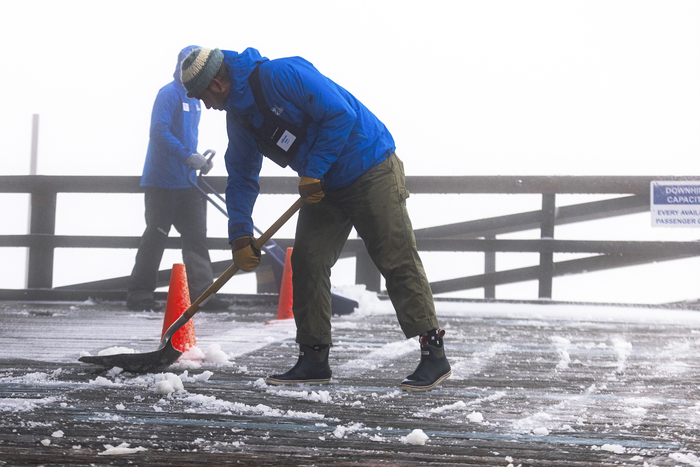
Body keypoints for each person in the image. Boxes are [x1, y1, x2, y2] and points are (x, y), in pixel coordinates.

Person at [180, 46, 451, 391]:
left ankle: (434, 355)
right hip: (324, 185)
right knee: (308, 261)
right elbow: (242, 175)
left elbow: (340, 114)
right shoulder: (240, 117)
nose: (205, 105)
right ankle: (314, 358)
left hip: (369, 165)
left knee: (394, 256)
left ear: (217, 83)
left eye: (203, 96)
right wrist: (239, 234)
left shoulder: (281, 75)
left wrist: (313, 171)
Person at [127, 45, 227, 312]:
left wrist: (199, 160)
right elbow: (158, 131)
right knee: (156, 236)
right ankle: (139, 293)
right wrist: (186, 156)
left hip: (188, 181)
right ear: (180, 66)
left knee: (196, 237)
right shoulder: (168, 94)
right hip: (162, 181)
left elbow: (185, 136)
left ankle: (203, 295)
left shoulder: (196, 98)